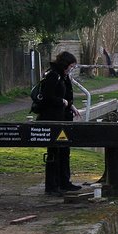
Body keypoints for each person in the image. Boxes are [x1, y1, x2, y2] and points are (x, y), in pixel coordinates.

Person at [36, 51, 81, 194]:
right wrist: (61, 101)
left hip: (62, 117)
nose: (72, 69)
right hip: (53, 118)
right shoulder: (53, 76)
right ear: (65, 64)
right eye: (71, 66)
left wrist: (71, 106)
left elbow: (66, 93)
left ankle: (64, 182)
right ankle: (52, 186)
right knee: (54, 152)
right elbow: (48, 97)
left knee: (64, 151)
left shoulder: (63, 76)